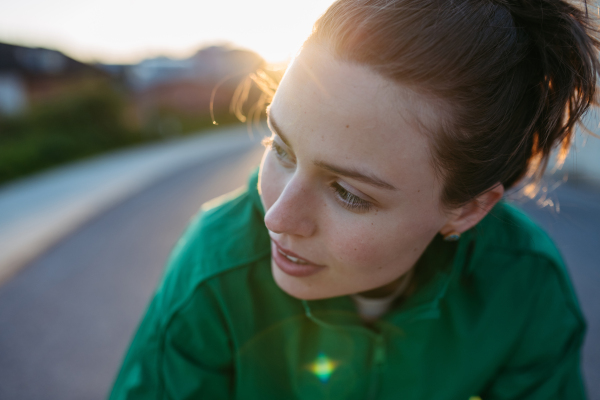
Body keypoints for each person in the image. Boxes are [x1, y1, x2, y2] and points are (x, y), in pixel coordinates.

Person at [109, 0, 599, 398]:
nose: (277, 217)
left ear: (468, 209)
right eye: (280, 148)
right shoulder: (214, 273)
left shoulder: (525, 284)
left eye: (348, 193)